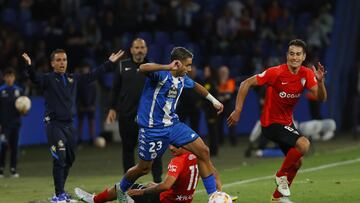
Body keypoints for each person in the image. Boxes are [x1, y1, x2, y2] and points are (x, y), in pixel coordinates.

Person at [80, 47, 224, 203]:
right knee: (143, 168)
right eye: (187, 65)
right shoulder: (160, 74)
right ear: (177, 63)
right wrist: (167, 67)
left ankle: (213, 197)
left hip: (173, 125)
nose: (190, 69)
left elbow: (197, 86)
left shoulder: (183, 78)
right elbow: (143, 67)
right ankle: (121, 190)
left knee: (203, 151)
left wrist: (214, 101)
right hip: (152, 129)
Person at [227, 39, 327, 203]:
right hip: (270, 123)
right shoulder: (276, 72)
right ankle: (280, 176)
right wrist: (238, 110)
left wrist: (321, 82)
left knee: (297, 162)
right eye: (292, 54)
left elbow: (321, 98)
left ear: (304, 57)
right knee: (304, 144)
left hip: (286, 123)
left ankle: (277, 198)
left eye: (298, 54)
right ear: (287, 55)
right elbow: (246, 83)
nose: (294, 57)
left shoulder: (307, 74)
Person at [22, 49, 124, 203]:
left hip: (69, 126)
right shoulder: (48, 79)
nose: (62, 62)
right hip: (54, 124)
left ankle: (61, 192)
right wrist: (29, 66)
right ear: (52, 63)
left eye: (64, 59)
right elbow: (35, 78)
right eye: (58, 60)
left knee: (69, 158)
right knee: (60, 157)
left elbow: (92, 76)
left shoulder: (72, 78)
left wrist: (109, 63)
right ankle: (59, 195)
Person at [106, 38, 163, 183]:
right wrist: (112, 108)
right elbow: (115, 89)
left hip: (149, 116)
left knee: (154, 149)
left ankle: (157, 181)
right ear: (131, 50)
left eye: (142, 47)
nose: (139, 50)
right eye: (136, 47)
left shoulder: (153, 67)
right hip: (127, 115)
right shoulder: (122, 65)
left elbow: (161, 90)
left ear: (146, 50)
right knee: (128, 149)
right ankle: (129, 182)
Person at [74, 144, 201, 203]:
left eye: (176, 146)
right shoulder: (198, 156)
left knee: (123, 189)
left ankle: (95, 200)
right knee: (146, 186)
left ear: (184, 144)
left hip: (165, 200)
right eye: (171, 144)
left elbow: (166, 186)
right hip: (182, 200)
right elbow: (182, 182)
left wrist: (143, 192)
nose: (171, 148)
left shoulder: (178, 161)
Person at [0, 68, 27, 178]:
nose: (9, 78)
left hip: (16, 123)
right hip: (4, 125)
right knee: (3, 146)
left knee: (15, 147)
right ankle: (1, 169)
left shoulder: (19, 90)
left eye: (11, 76)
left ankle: (13, 169)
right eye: (7, 76)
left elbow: (24, 107)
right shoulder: (1, 90)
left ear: (14, 78)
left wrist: (24, 111)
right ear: (4, 78)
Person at [76, 63, 97, 145]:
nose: (85, 69)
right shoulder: (79, 81)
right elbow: (77, 94)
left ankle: (92, 139)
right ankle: (79, 139)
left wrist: (93, 105)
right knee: (80, 122)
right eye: (84, 68)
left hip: (90, 105)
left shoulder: (93, 82)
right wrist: (79, 105)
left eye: (86, 68)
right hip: (81, 105)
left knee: (91, 122)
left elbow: (95, 94)